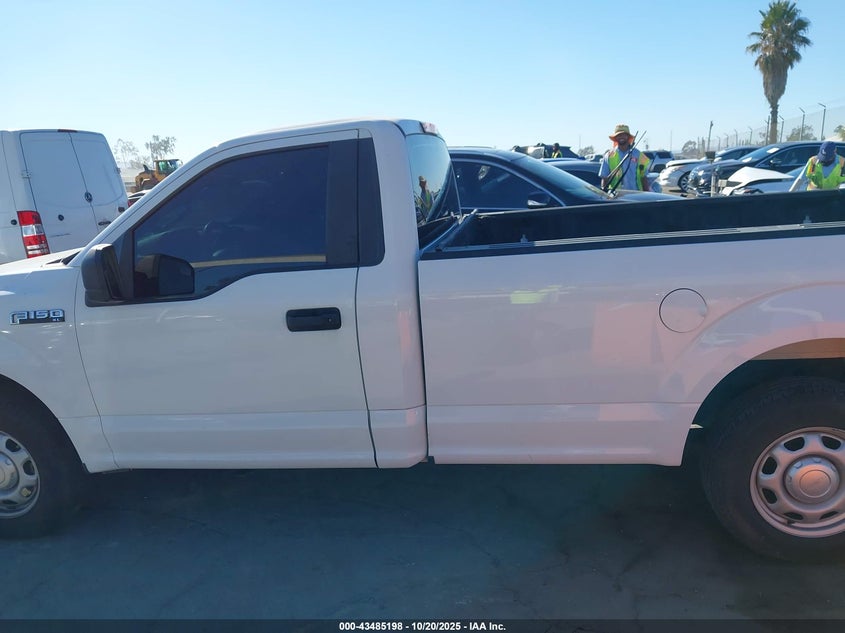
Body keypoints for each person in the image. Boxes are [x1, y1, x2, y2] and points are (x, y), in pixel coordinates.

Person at [598, 124, 651, 192]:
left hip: (636, 195)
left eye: (624, 135)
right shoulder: (608, 156)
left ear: (628, 137)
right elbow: (604, 178)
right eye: (619, 135)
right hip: (615, 196)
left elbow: (644, 178)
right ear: (615, 137)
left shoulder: (639, 155)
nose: (621, 137)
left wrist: (647, 195)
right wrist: (603, 194)